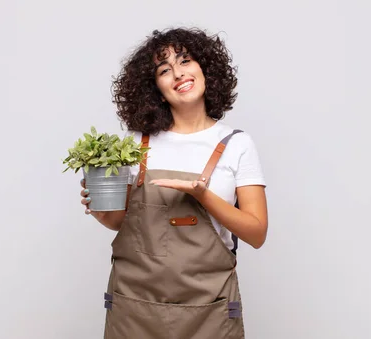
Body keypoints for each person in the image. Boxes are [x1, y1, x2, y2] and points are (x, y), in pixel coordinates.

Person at [80, 27, 268, 339]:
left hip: (210, 311)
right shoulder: (134, 144)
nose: (178, 74)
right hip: (134, 310)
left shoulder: (236, 144)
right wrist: (98, 207)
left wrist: (203, 196)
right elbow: (122, 223)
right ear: (154, 87)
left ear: (205, 69)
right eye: (164, 70)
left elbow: (257, 232)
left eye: (185, 61)